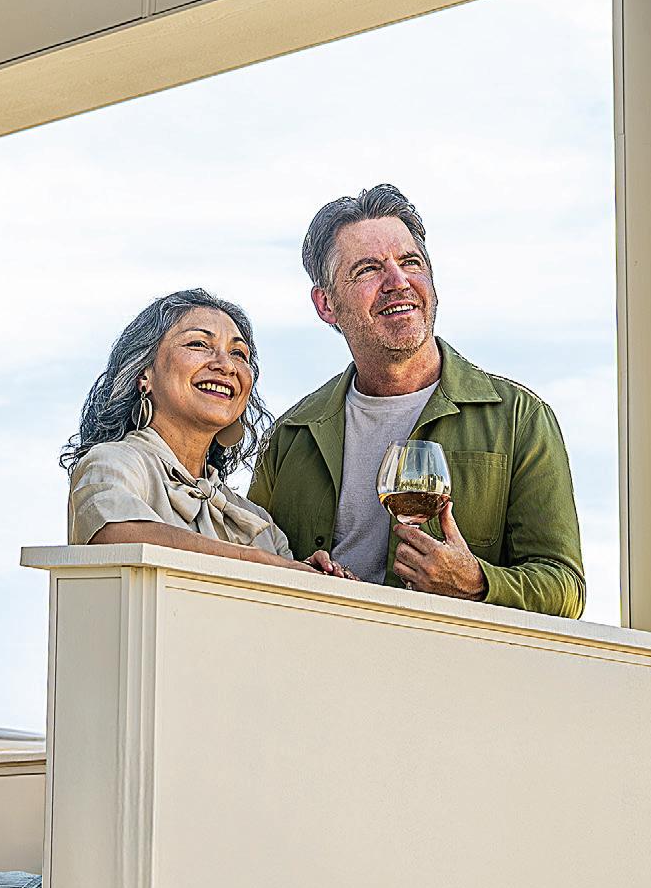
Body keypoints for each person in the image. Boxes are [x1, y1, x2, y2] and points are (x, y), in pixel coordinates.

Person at [249, 186, 586, 617]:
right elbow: (248, 567)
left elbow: (565, 590)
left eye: (411, 262)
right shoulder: (288, 436)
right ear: (326, 303)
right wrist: (297, 574)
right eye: (368, 269)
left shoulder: (521, 419)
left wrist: (476, 582)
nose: (398, 282)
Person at [63, 288, 341, 574]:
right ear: (144, 374)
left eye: (238, 353)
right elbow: (114, 535)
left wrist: (313, 577)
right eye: (198, 344)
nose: (226, 365)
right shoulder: (114, 463)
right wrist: (258, 562)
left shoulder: (257, 522)